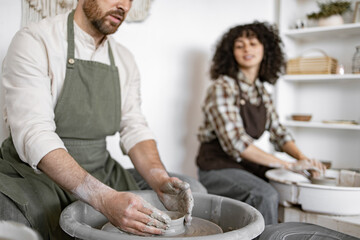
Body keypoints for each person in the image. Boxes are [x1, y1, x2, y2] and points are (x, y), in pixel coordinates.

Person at [0, 0, 202, 239]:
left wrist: (159, 178)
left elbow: (134, 126)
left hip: (100, 168)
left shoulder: (123, 59)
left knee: (195, 190)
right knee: (13, 219)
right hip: (35, 173)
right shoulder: (35, 41)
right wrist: (102, 198)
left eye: (130, 0)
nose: (124, 6)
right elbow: (35, 134)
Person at [195, 21, 326, 225]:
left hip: (246, 166)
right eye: (239, 45)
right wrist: (289, 164)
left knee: (293, 184)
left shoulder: (262, 92)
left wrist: (304, 159)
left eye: (253, 43)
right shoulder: (222, 87)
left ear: (266, 49)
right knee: (265, 195)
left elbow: (279, 133)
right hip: (216, 167)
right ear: (231, 53)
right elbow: (236, 143)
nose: (247, 49)